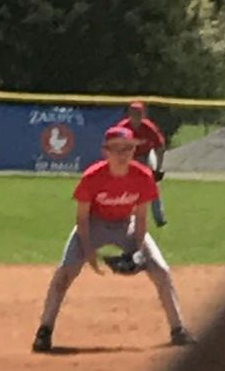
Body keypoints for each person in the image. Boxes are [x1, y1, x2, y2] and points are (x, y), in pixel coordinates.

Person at [31, 129, 194, 352]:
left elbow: (141, 218)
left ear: (134, 150)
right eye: (116, 148)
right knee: (65, 272)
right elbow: (81, 219)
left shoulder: (143, 176)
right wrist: (88, 252)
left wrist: (137, 251)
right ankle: (44, 331)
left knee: (161, 270)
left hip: (126, 225)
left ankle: (178, 330)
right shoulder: (92, 177)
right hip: (92, 224)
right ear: (105, 152)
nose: (123, 153)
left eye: (128, 148)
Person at [103, 99, 170, 265]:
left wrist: (157, 169)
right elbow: (112, 146)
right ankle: (121, 214)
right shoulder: (123, 126)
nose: (136, 116)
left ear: (143, 114)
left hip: (147, 156)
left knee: (152, 186)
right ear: (129, 114)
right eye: (133, 113)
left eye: (139, 113)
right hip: (129, 156)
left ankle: (159, 218)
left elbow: (160, 147)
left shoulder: (148, 127)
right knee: (123, 186)